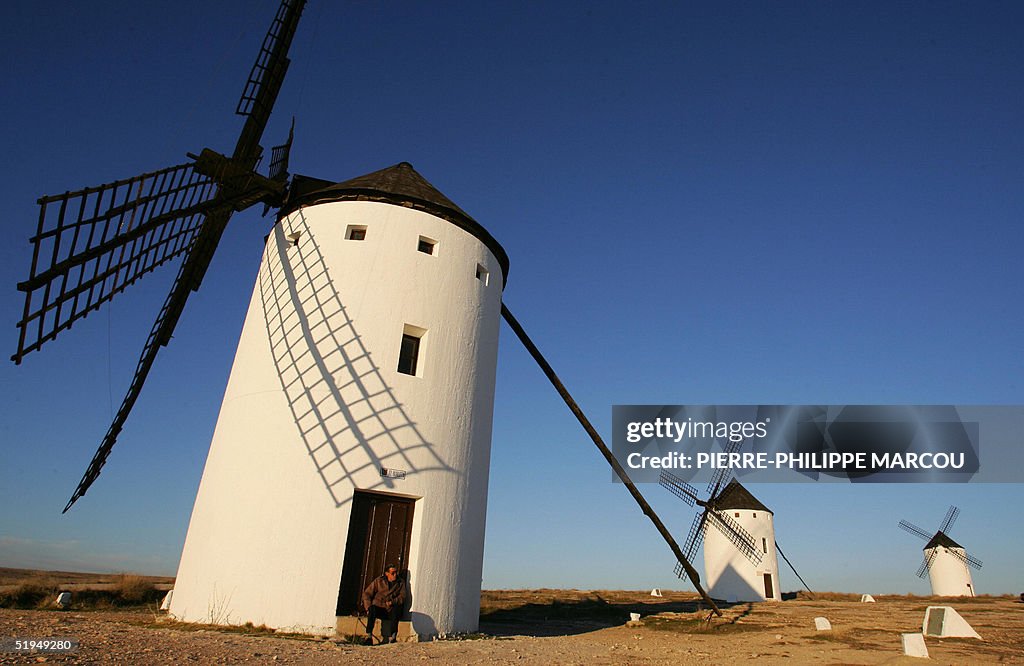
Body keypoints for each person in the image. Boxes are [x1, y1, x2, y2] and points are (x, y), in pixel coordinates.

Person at [361, 564, 406, 644]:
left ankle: (393, 636)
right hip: (379, 607)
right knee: (372, 609)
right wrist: (368, 607)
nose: (395, 575)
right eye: (392, 573)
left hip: (390, 608)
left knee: (396, 611)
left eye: (396, 573)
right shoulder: (379, 581)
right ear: (387, 573)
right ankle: (369, 636)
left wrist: (393, 601)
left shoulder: (400, 582)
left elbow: (402, 596)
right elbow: (367, 593)